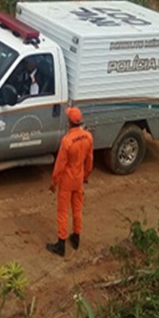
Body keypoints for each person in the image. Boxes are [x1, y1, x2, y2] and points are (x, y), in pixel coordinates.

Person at [46, 107, 94, 257]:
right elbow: (89, 160)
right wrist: (85, 176)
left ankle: (61, 244)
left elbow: (59, 165)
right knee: (77, 209)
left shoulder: (67, 141)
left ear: (69, 122)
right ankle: (76, 237)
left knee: (63, 212)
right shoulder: (88, 137)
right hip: (79, 179)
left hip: (67, 181)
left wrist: (54, 183)